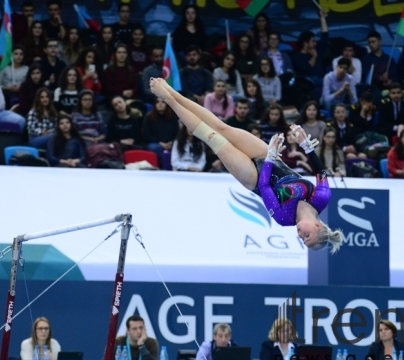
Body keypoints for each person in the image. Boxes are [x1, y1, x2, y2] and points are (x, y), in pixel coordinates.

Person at [150, 77, 341, 250]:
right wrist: (305, 144)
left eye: (302, 239)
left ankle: (168, 100)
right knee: (221, 126)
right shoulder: (321, 198)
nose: (300, 235)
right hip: (271, 158)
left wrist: (271, 156)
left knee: (213, 137)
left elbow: (265, 185)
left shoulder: (284, 218)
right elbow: (320, 172)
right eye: (307, 235)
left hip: (254, 177)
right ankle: (173, 91)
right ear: (318, 226)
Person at [292, 10, 329, 87]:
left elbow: (325, 37)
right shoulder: (297, 56)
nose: (315, 43)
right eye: (313, 41)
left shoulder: (317, 50)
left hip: (320, 80)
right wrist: (314, 57)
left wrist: (322, 18)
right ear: (305, 43)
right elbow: (308, 68)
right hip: (306, 82)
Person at [141, 97, 179, 163]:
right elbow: (147, 135)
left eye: (163, 102)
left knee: (178, 146)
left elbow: (177, 134)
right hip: (154, 142)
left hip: (170, 143)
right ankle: (161, 167)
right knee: (156, 148)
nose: (160, 104)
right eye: (157, 102)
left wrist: (171, 142)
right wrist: (160, 143)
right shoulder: (148, 117)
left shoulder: (173, 118)